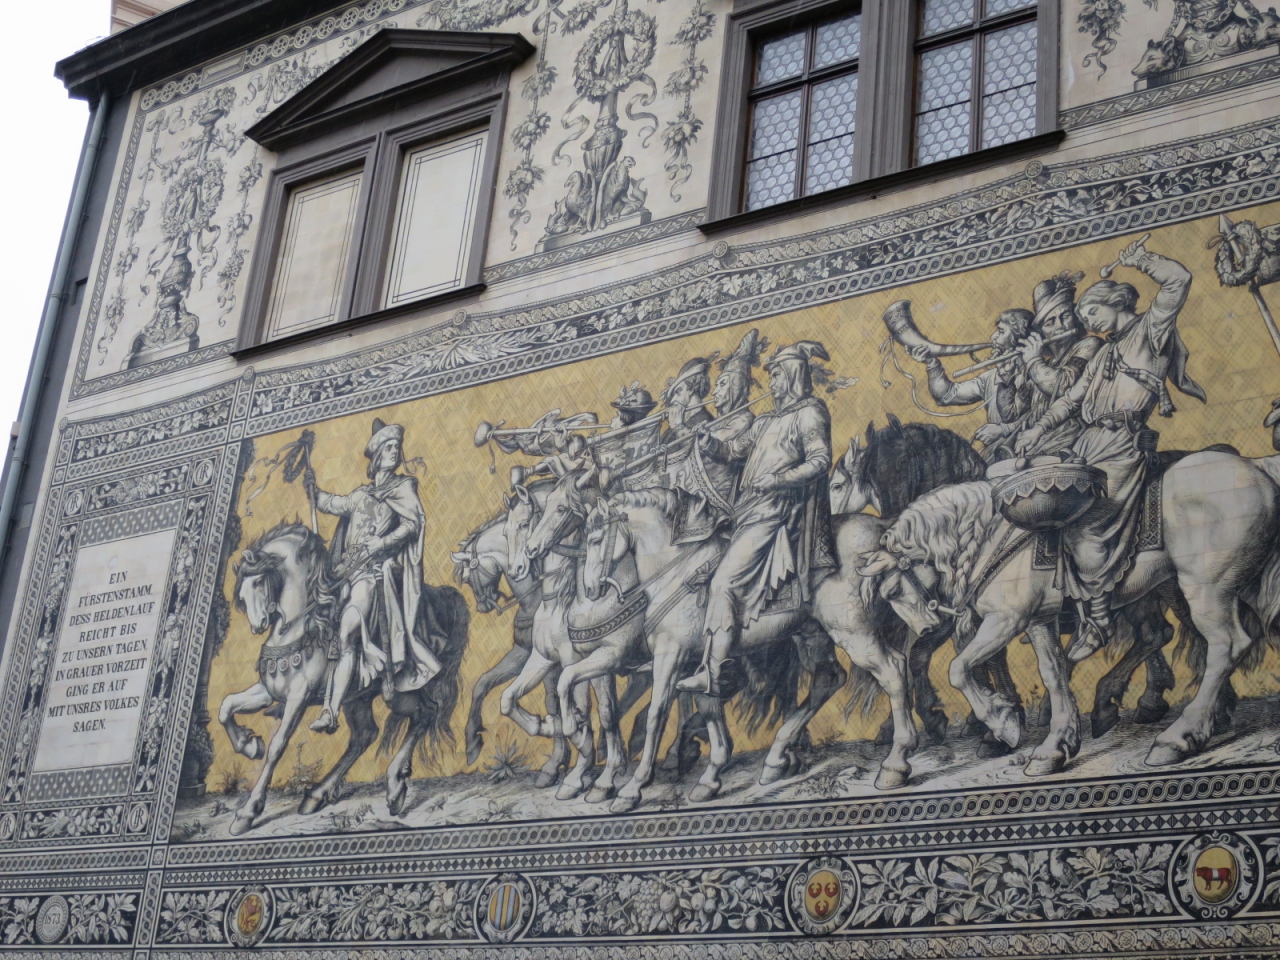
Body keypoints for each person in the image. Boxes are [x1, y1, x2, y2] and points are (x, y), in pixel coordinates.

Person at [1016, 240, 1205, 662]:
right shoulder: (1104, 351)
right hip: (1087, 445)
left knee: (1086, 525)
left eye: (1090, 313)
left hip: (1122, 446)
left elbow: (1179, 279)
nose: (1087, 322)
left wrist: (1142, 260)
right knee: (1042, 496)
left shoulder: (1150, 331)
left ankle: (1098, 620)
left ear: (1113, 302)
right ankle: (1053, 602)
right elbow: (1071, 400)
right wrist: (1037, 430)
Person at [677, 341, 836, 696]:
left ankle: (714, 672)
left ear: (792, 376)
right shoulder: (765, 421)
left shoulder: (809, 414)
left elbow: (820, 460)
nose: (772, 384)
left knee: (723, 583)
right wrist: (709, 443)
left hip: (775, 512)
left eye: (777, 376)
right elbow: (732, 451)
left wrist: (778, 479)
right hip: (747, 514)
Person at [305, 419, 443, 733]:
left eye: (397, 447)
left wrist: (382, 543)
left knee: (347, 630)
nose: (395, 451)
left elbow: (412, 524)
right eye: (389, 447)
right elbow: (334, 503)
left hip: (370, 576)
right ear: (377, 454)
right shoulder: (360, 495)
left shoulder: (403, 488)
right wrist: (314, 491)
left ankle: (330, 712)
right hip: (343, 576)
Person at [671, 330, 764, 544]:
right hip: (700, 492)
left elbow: (711, 446)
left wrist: (678, 427)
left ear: (735, 387)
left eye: (722, 384)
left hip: (720, 497)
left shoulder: (743, 419)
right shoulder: (718, 421)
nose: (714, 392)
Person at [907, 309, 1034, 462]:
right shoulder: (991, 377)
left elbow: (1038, 416)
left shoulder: (1036, 374)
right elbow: (946, 395)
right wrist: (932, 363)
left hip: (1029, 457)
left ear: (1019, 339)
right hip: (994, 458)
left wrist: (1003, 429)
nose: (993, 337)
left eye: (1001, 331)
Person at [1016, 271, 1103, 457]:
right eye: (1050, 322)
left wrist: (1032, 361)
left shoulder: (1090, 345)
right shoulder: (1045, 365)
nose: (1061, 325)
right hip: (1040, 442)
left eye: (1065, 315)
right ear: (1040, 333)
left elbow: (1063, 385)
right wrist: (1005, 375)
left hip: (1076, 442)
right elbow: (1022, 413)